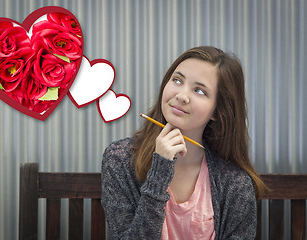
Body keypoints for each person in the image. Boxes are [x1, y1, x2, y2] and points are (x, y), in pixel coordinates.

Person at [101, 46, 267, 239]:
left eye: (199, 90)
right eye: (177, 80)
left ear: (217, 111)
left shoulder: (235, 184)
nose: (181, 96)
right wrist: (160, 171)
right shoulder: (119, 159)